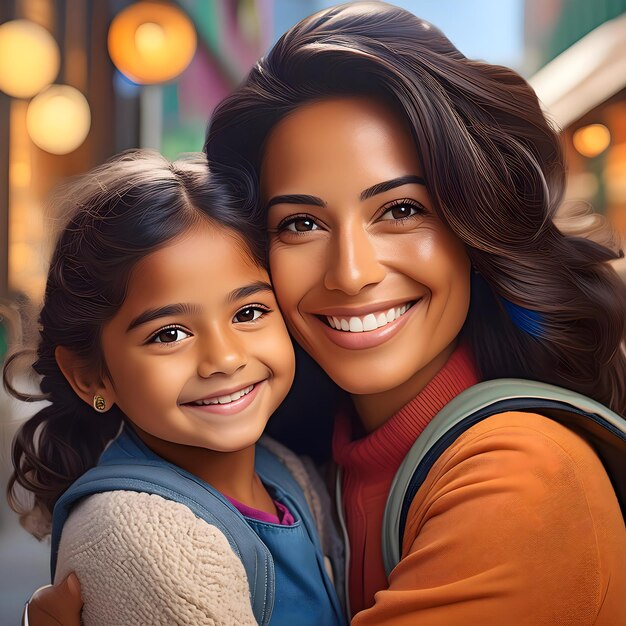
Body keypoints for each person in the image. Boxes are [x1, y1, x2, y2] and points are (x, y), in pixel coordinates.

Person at [24, 2, 626, 624]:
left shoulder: (518, 480)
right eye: (302, 223)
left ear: (471, 226)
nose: (352, 271)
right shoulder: (309, 471)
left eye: (400, 210)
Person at [5, 151, 345, 625]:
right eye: (169, 334)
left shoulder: (283, 471)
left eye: (248, 313)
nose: (225, 358)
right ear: (91, 376)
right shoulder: (135, 536)